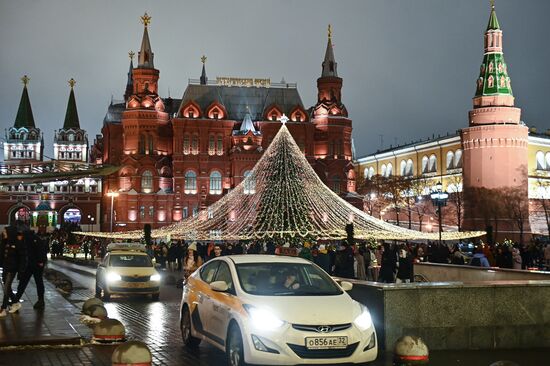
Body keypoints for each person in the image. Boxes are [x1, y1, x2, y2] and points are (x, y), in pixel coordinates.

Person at [13, 229, 48, 309]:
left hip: (34, 265)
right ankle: (40, 300)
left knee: (24, 282)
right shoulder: (31, 238)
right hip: (33, 265)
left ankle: (16, 299)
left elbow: (38, 250)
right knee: (37, 282)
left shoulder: (29, 239)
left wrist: (40, 261)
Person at [0, 221, 28, 317]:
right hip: (6, 267)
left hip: (13, 268)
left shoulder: (18, 243)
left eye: (5, 232)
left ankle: (3, 308)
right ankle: (15, 302)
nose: (3, 233)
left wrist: (21, 271)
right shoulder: (5, 242)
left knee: (7, 287)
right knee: (6, 286)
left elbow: (22, 258)